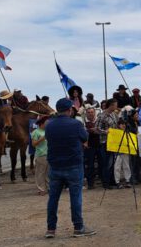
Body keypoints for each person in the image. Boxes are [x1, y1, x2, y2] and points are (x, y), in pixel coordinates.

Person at [44, 98, 95, 238]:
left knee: (53, 199)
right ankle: (78, 227)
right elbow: (85, 138)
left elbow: (49, 139)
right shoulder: (76, 124)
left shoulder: (49, 125)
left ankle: (50, 229)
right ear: (70, 110)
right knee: (75, 197)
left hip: (55, 166)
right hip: (73, 165)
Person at [95, 99, 118, 189]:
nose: (116, 107)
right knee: (107, 163)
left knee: (113, 162)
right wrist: (105, 131)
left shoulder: (114, 114)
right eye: (115, 105)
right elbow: (96, 128)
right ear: (111, 105)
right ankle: (106, 182)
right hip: (105, 142)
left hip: (113, 142)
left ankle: (112, 181)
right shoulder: (102, 115)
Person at [31, 116, 50, 195]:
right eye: (47, 122)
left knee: (48, 173)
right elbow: (33, 144)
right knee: (40, 173)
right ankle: (42, 189)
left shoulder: (49, 131)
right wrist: (42, 139)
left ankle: (49, 188)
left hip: (49, 155)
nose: (49, 123)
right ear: (42, 123)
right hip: (41, 155)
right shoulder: (36, 132)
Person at [82, 107, 100, 189]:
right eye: (88, 112)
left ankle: (104, 182)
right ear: (86, 113)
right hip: (89, 146)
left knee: (102, 163)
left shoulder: (99, 121)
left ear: (95, 113)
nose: (90, 113)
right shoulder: (83, 123)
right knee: (90, 165)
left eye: (92, 112)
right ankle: (90, 184)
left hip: (100, 145)